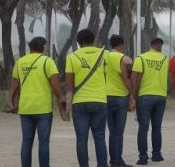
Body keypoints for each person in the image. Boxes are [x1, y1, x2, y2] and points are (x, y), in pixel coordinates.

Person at [8, 37, 66, 167]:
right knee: (43, 142)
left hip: (25, 108)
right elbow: (56, 88)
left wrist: (15, 104)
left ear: (30, 47)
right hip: (43, 109)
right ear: (43, 47)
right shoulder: (48, 62)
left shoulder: (20, 62)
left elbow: (14, 88)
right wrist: (62, 105)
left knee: (26, 141)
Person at [66, 29, 109, 167]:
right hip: (100, 101)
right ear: (93, 40)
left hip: (79, 103)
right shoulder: (105, 54)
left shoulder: (72, 57)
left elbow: (69, 87)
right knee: (99, 137)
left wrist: (67, 108)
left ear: (78, 42)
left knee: (81, 139)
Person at [132, 37, 170, 165]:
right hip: (161, 96)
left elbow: (135, 79)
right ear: (160, 46)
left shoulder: (140, 58)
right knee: (157, 127)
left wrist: (133, 96)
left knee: (143, 128)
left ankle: (143, 157)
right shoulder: (165, 59)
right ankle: (157, 155)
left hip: (145, 96)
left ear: (151, 45)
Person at [105, 35, 135, 167]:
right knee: (118, 132)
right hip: (120, 97)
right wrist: (132, 96)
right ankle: (117, 160)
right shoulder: (121, 57)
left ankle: (114, 160)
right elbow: (126, 79)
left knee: (112, 131)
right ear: (122, 44)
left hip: (105, 96)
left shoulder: (105, 56)